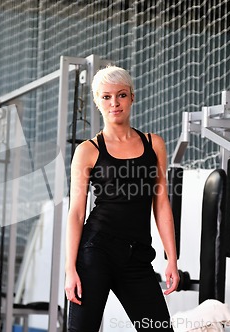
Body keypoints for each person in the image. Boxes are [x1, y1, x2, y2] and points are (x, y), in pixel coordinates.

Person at [65, 65, 179, 331]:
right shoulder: (88, 150)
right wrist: (70, 269)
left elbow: (161, 204)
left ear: (132, 97)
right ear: (97, 102)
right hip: (96, 251)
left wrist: (171, 258)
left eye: (121, 95)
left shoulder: (154, 144)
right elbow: (76, 213)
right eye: (106, 97)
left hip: (136, 256)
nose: (114, 103)